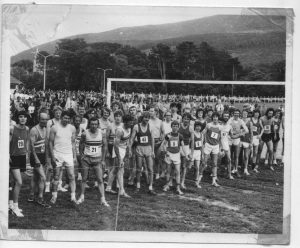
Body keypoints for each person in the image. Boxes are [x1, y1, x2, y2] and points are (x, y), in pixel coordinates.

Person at [77, 117, 110, 206]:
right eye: (92, 124)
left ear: (98, 125)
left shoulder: (102, 133)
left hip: (97, 159)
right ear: (89, 124)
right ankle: (81, 196)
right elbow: (81, 144)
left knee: (100, 179)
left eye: (95, 124)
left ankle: (103, 199)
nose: (94, 126)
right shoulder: (85, 133)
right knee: (84, 178)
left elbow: (105, 146)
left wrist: (103, 159)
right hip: (87, 159)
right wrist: (81, 155)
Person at [48, 110, 77, 204]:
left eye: (68, 118)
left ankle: (73, 196)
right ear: (61, 117)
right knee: (56, 176)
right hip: (57, 154)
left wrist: (75, 156)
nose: (66, 120)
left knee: (72, 176)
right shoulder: (54, 128)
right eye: (65, 118)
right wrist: (52, 156)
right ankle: (54, 196)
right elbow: (50, 143)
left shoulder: (72, 128)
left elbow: (73, 143)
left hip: (68, 154)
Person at [129, 111, 157, 195]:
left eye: (148, 118)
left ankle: (150, 187)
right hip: (139, 148)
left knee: (150, 169)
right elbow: (132, 138)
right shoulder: (136, 127)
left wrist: (153, 151)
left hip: (148, 148)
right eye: (145, 117)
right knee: (138, 168)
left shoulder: (151, 127)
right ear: (142, 118)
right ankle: (138, 186)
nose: (147, 119)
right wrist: (130, 149)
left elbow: (152, 139)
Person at [27, 111, 51, 208]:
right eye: (42, 119)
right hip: (35, 156)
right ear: (38, 119)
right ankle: (40, 198)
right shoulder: (34, 130)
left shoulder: (45, 129)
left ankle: (31, 196)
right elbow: (31, 147)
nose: (44, 121)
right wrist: (36, 159)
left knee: (35, 176)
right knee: (43, 177)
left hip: (42, 156)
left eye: (46, 119)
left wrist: (46, 159)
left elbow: (45, 145)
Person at [9, 111, 30, 217]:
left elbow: (26, 141)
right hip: (13, 157)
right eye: (21, 117)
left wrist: (26, 153)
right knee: (19, 182)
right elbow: (7, 142)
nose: (22, 119)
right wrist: (7, 154)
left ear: (27, 118)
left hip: (21, 157)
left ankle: (11, 204)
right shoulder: (12, 128)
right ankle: (16, 208)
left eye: (24, 117)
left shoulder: (26, 129)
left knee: (14, 182)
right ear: (18, 118)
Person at [111, 114, 134, 198]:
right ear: (125, 122)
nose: (131, 124)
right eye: (129, 123)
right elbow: (115, 145)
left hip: (123, 149)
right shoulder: (120, 130)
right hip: (117, 150)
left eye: (132, 123)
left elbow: (127, 141)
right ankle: (122, 191)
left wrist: (129, 150)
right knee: (120, 170)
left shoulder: (129, 128)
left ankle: (109, 187)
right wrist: (119, 158)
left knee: (118, 170)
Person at [161, 120, 184, 195]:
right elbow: (164, 144)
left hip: (177, 154)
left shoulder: (180, 136)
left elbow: (182, 145)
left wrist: (184, 153)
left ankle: (178, 188)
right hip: (169, 154)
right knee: (168, 171)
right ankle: (167, 185)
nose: (175, 127)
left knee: (177, 171)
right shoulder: (168, 135)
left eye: (176, 126)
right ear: (171, 127)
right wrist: (166, 152)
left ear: (178, 127)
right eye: (173, 126)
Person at [202, 112, 222, 187]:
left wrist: (220, 147)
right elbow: (203, 133)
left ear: (218, 118)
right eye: (214, 117)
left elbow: (220, 138)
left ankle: (214, 180)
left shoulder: (220, 127)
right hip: (208, 145)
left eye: (216, 117)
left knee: (214, 163)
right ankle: (199, 176)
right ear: (212, 118)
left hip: (215, 146)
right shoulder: (209, 125)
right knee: (204, 162)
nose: (215, 118)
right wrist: (203, 142)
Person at [106, 110, 124, 194]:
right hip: (110, 146)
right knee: (112, 166)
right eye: (116, 116)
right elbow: (106, 138)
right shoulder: (110, 126)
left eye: (119, 116)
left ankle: (118, 184)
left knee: (119, 167)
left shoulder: (123, 126)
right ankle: (109, 185)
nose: (117, 117)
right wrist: (107, 151)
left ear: (121, 117)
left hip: (119, 148)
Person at [229, 109, 249, 177]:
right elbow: (227, 128)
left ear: (239, 114)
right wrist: (231, 133)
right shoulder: (230, 120)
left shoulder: (241, 121)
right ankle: (230, 169)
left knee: (236, 156)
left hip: (237, 139)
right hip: (230, 138)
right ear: (233, 114)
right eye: (235, 113)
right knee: (230, 155)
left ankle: (236, 169)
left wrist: (240, 134)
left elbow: (247, 130)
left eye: (237, 113)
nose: (236, 114)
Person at [178, 113, 194, 189]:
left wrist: (191, 152)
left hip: (186, 147)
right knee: (176, 165)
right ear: (182, 119)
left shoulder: (190, 128)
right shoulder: (178, 126)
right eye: (185, 118)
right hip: (178, 147)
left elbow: (193, 141)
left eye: (188, 119)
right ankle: (173, 180)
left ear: (190, 120)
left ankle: (182, 182)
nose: (186, 120)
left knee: (184, 166)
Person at [149, 106, 164, 180]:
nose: (150, 112)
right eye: (149, 111)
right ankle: (150, 173)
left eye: (152, 111)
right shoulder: (147, 120)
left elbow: (163, 132)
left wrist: (162, 138)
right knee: (149, 159)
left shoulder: (160, 121)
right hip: (149, 142)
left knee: (157, 158)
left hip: (158, 142)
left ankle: (157, 173)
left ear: (156, 112)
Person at [220, 111, 234, 180]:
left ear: (228, 117)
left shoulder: (229, 126)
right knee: (216, 160)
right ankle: (214, 174)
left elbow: (232, 136)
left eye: (227, 116)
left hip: (226, 145)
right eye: (225, 116)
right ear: (222, 116)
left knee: (229, 160)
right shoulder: (219, 125)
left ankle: (229, 174)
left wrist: (240, 134)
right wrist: (221, 148)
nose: (226, 117)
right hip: (219, 145)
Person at [240, 110, 253, 176]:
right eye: (243, 113)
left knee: (246, 155)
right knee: (238, 155)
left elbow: (251, 132)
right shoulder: (239, 121)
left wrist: (251, 142)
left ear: (247, 114)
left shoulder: (249, 122)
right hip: (240, 140)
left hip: (247, 140)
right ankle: (235, 168)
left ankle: (245, 169)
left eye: (246, 113)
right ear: (241, 114)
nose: (244, 114)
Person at [193, 121, 204, 188]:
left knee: (197, 167)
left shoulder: (201, 134)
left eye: (199, 126)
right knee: (188, 167)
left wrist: (202, 154)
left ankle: (196, 182)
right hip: (192, 151)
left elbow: (202, 145)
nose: (198, 128)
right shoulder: (192, 133)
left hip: (198, 152)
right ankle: (181, 180)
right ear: (195, 126)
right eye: (197, 126)